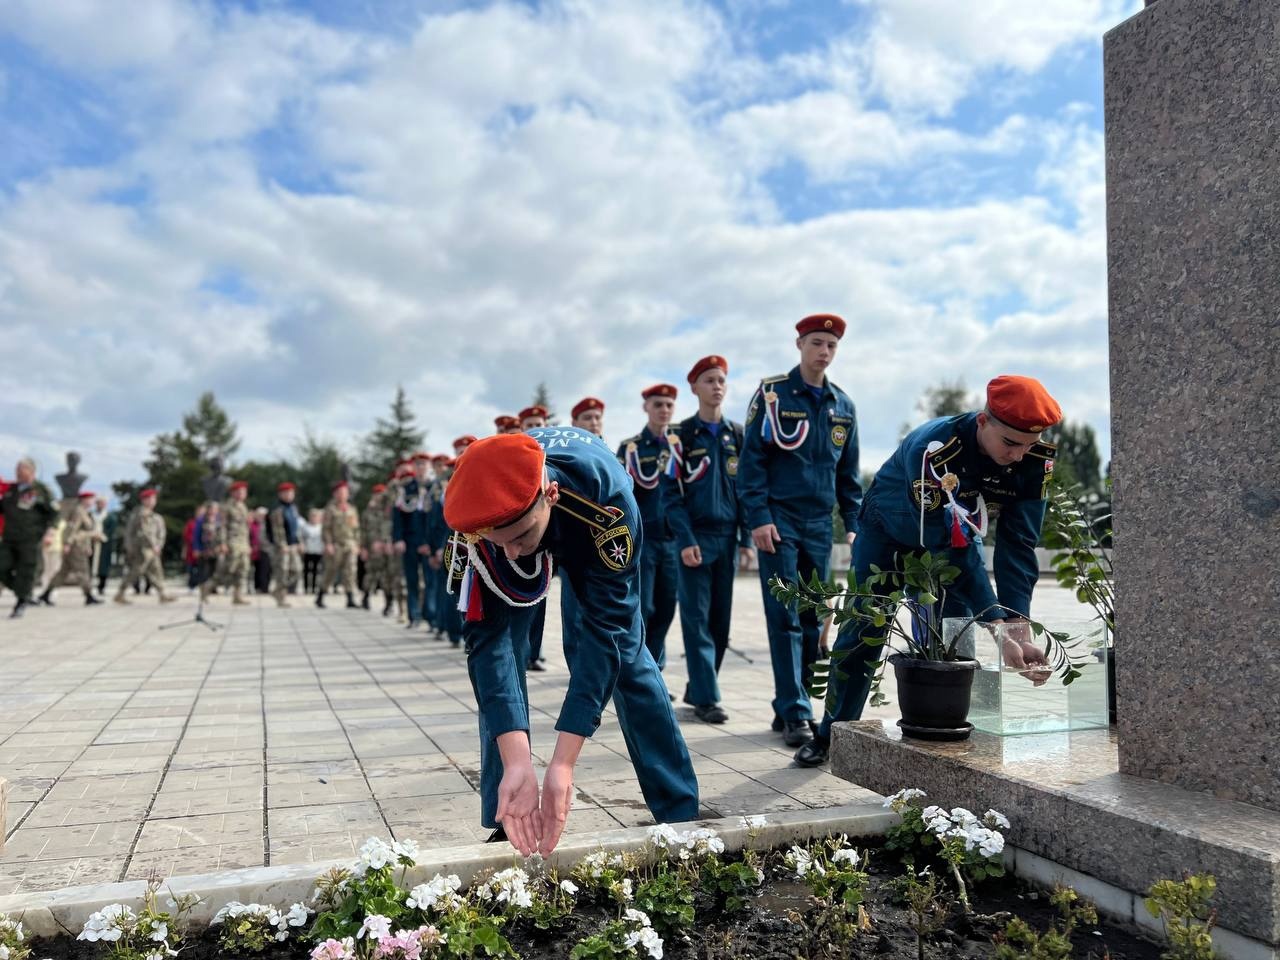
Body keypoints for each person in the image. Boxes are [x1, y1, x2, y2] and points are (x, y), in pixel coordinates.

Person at [444, 430, 700, 857]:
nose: (511, 554)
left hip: (584, 525)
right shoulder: (472, 521)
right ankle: (511, 811)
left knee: (631, 661)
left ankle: (677, 810)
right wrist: (519, 762)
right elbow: (488, 648)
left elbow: (606, 637)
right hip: (515, 517)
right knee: (504, 666)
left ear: (551, 494)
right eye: (498, 542)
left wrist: (562, 763)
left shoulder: (608, 503)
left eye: (520, 537)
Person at [794, 376, 1061, 766]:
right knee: (863, 633)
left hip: (953, 538)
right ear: (984, 422)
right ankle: (833, 734)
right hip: (886, 534)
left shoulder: (1034, 460)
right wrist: (997, 627)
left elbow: (1018, 545)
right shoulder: (936, 449)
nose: (1020, 455)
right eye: (1010, 443)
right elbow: (948, 548)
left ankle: (949, 741)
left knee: (954, 637)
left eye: (1029, 445)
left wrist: (1017, 627)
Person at [737, 314, 863, 748]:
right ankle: (796, 712)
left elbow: (848, 476)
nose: (823, 351)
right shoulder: (773, 395)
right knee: (785, 617)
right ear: (799, 345)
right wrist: (757, 517)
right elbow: (751, 461)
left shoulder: (842, 406)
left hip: (818, 526)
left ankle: (790, 702)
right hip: (779, 521)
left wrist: (853, 526)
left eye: (830, 344)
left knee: (813, 619)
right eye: (815, 343)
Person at [665, 356, 753, 724]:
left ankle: (700, 688)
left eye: (721, 380)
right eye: (709, 380)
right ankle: (708, 698)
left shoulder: (737, 434)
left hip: (727, 540)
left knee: (720, 624)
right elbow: (671, 494)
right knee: (696, 620)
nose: (717, 386)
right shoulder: (680, 435)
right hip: (695, 539)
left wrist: (746, 539)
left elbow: (748, 488)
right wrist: (684, 539)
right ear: (695, 388)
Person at [617, 384, 680, 671]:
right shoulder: (631, 448)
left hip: (674, 540)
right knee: (645, 608)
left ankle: (655, 670)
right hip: (644, 541)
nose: (664, 410)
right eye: (658, 405)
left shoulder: (680, 444)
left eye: (669, 405)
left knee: (667, 608)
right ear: (646, 408)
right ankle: (640, 671)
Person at [0, 458, 57, 617]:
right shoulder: (11, 490)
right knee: (1, 567)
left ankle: (21, 602)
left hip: (31, 539)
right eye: (17, 469)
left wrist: (50, 532)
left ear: (31, 472)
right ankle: (22, 592)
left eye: (21, 469)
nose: (17, 472)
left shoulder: (41, 490)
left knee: (26, 571)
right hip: (9, 537)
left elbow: (54, 514)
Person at [37, 491, 103, 606]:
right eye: (91, 499)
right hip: (76, 546)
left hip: (79, 545)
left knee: (62, 573)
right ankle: (89, 595)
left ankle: (45, 594)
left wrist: (87, 545)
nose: (92, 502)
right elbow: (73, 529)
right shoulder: (79, 511)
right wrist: (68, 543)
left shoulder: (84, 511)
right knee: (83, 570)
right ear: (84, 500)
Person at [392, 453, 434, 626]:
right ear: (413, 468)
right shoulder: (406, 488)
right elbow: (398, 516)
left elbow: (436, 518)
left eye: (423, 464)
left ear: (428, 466)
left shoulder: (434, 487)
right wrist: (398, 538)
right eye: (417, 465)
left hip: (428, 541)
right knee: (412, 580)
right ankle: (414, 615)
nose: (420, 467)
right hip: (409, 540)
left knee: (430, 580)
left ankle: (431, 616)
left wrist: (430, 542)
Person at [113, 489, 176, 605]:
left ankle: (162, 594)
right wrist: (154, 546)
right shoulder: (141, 514)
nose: (153, 501)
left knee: (156, 571)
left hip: (151, 549)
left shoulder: (153, 515)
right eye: (151, 498)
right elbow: (144, 532)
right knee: (136, 572)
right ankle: (120, 593)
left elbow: (160, 533)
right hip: (143, 549)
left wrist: (158, 546)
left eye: (154, 498)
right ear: (144, 500)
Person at [317, 480, 361, 608]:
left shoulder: (352, 509)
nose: (342, 495)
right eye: (340, 492)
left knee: (350, 571)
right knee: (330, 571)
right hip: (335, 545)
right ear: (335, 494)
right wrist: (328, 543)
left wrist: (357, 544)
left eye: (345, 492)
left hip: (349, 544)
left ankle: (350, 598)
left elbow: (356, 529)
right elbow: (326, 528)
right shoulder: (330, 509)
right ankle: (321, 595)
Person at [208, 480, 251, 605]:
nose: (241, 494)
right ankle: (207, 587)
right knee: (227, 569)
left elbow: (245, 528)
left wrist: (248, 544)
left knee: (243, 569)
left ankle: (238, 596)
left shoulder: (243, 507)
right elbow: (221, 526)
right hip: (231, 542)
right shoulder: (226, 507)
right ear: (232, 493)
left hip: (243, 543)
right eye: (238, 492)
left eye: (243, 492)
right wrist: (222, 543)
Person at [360, 482, 393, 613]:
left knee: (387, 576)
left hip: (387, 547)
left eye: (381, 494)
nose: (379, 496)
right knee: (371, 574)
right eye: (376, 494)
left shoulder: (390, 510)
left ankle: (388, 603)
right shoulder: (368, 511)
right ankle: (366, 597)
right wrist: (363, 548)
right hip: (372, 548)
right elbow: (363, 530)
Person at [267, 482, 302, 608]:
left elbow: (296, 528)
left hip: (292, 545)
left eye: (291, 493)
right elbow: (278, 530)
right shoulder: (278, 510)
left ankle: (277, 591)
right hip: (282, 547)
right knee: (282, 571)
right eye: (286, 493)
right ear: (280, 494)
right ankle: (281, 598)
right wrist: (282, 545)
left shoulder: (293, 508)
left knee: (297, 570)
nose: (289, 495)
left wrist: (299, 542)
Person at [95, 498, 118, 595]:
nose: (100, 505)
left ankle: (101, 586)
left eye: (102, 503)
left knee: (103, 566)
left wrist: (102, 536)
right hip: (93, 543)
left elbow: (112, 530)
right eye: (99, 503)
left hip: (105, 544)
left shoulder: (110, 517)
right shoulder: (92, 515)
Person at [300, 508, 324, 594]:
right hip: (308, 550)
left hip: (318, 551)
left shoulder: (321, 527)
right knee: (306, 570)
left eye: (316, 516)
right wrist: (302, 545)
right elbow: (301, 537)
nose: (314, 518)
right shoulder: (305, 526)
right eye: (313, 516)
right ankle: (306, 587)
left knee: (316, 570)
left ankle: (314, 588)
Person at [183, 505, 205, 591]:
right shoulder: (191, 523)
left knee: (202, 569)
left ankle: (202, 585)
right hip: (191, 550)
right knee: (192, 569)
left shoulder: (206, 523)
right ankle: (191, 585)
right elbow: (186, 535)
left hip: (203, 550)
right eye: (200, 512)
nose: (201, 514)